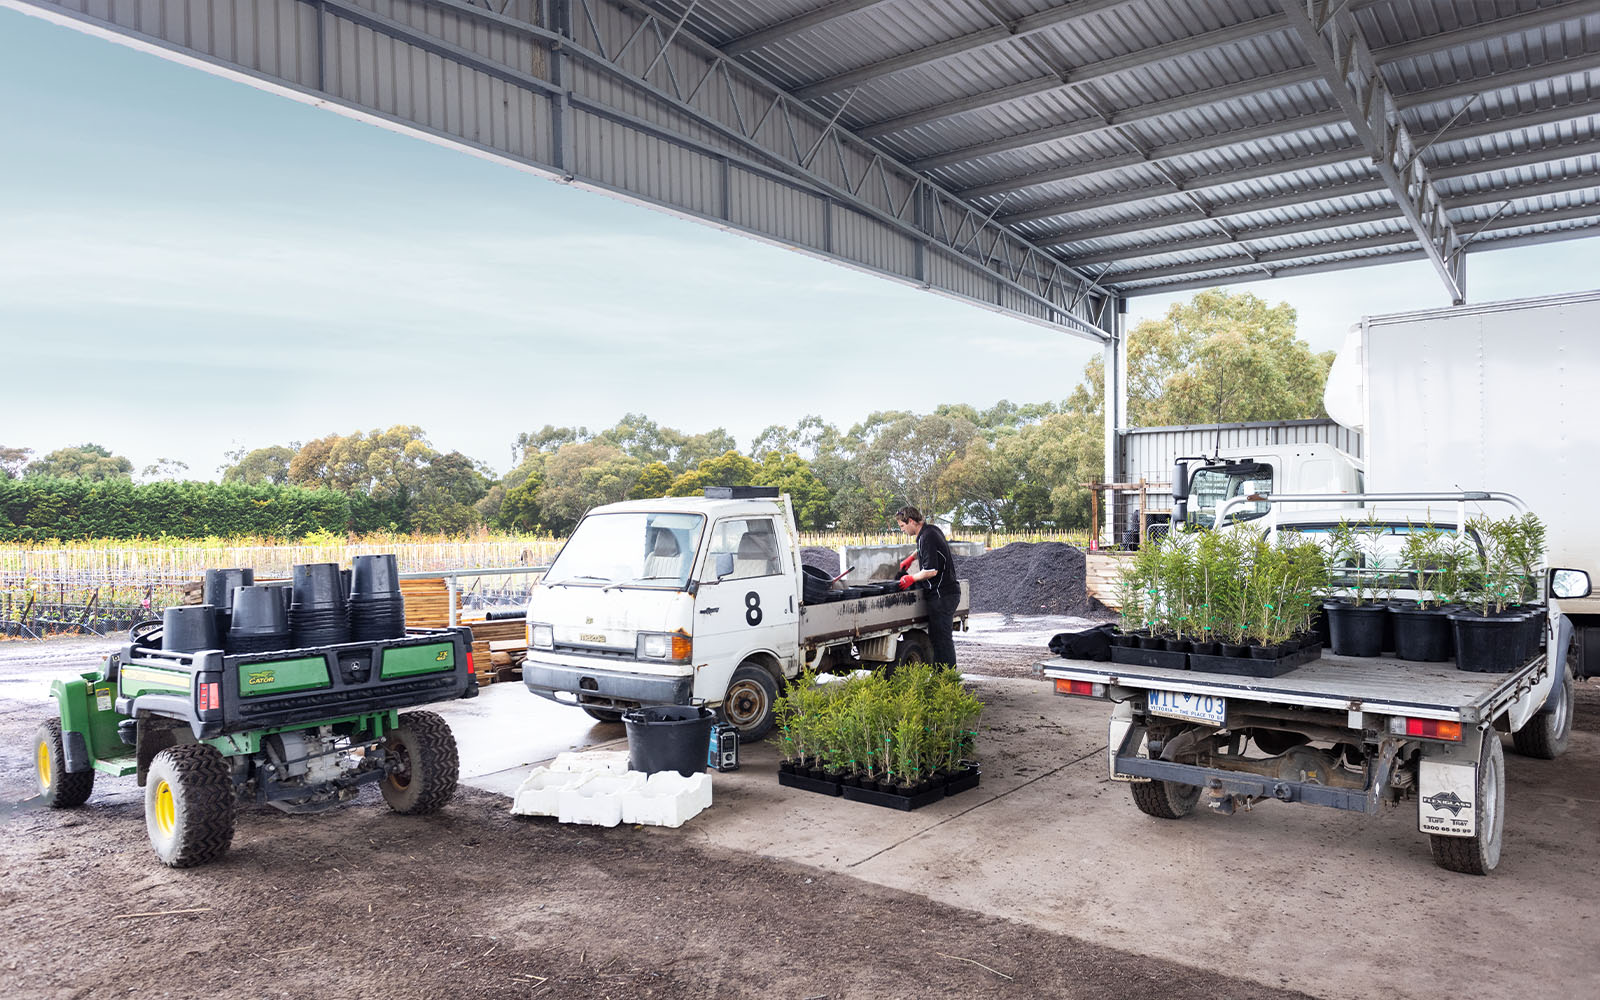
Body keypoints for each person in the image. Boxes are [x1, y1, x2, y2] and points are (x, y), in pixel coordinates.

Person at [894, 506, 960, 668]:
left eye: (902, 526)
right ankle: (943, 676)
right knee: (939, 638)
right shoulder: (930, 530)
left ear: (910, 521)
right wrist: (912, 558)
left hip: (941, 595)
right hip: (947, 592)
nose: (902, 530)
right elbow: (924, 548)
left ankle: (946, 678)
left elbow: (931, 571)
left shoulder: (926, 537)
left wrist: (910, 578)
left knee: (941, 640)